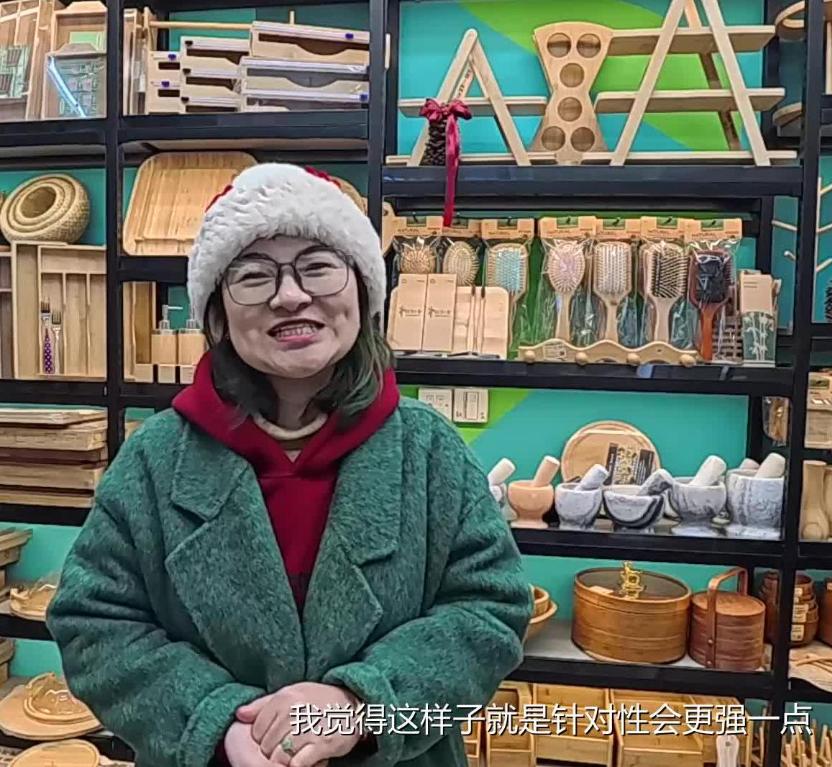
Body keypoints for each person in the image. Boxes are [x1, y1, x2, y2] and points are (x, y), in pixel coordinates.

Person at [45, 163, 533, 767]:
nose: (291, 295)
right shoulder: (157, 458)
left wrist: (363, 703)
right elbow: (94, 622)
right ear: (217, 315)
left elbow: (490, 608)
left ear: (363, 291)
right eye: (253, 276)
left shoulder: (428, 449)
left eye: (318, 267)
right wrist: (216, 724)